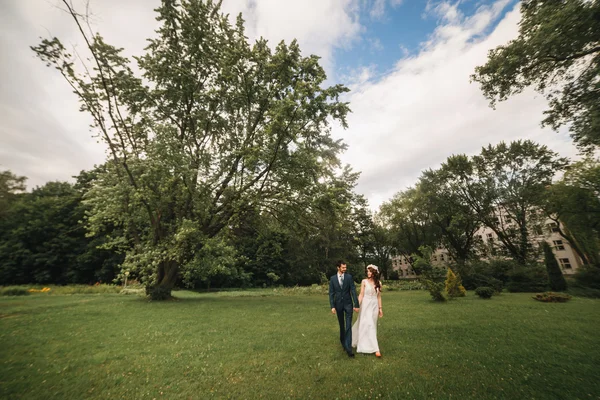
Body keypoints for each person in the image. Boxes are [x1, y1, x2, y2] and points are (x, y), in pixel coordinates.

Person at [329, 260, 360, 357]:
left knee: (348, 326)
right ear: (338, 267)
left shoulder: (349, 277)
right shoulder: (333, 279)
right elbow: (331, 293)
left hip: (348, 304)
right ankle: (343, 342)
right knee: (341, 325)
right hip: (338, 305)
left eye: (345, 267)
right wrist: (332, 306)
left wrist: (356, 304)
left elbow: (353, 291)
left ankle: (349, 349)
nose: (345, 269)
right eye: (343, 267)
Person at [352, 264, 383, 357]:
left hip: (374, 306)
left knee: (371, 325)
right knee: (367, 324)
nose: (368, 273)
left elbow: (379, 297)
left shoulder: (379, 283)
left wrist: (380, 308)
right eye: (367, 271)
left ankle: (369, 344)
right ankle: (375, 349)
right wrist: (357, 305)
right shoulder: (364, 281)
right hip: (365, 305)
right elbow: (361, 294)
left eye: (370, 271)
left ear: (374, 273)